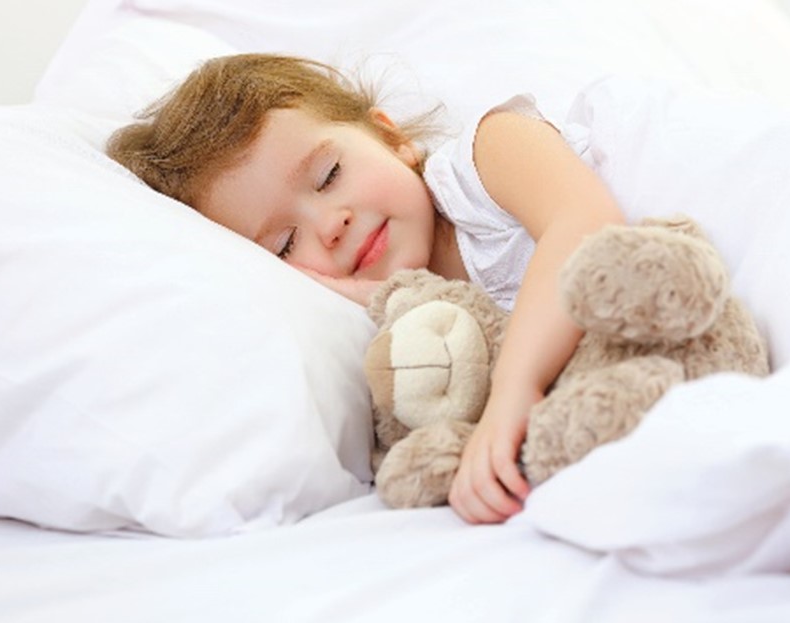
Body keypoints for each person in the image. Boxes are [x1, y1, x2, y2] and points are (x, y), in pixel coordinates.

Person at [107, 53, 625, 525]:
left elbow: (587, 229)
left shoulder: (488, 155)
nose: (330, 225)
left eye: (329, 175)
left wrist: (516, 386)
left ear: (390, 138)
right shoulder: (401, 333)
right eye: (286, 244)